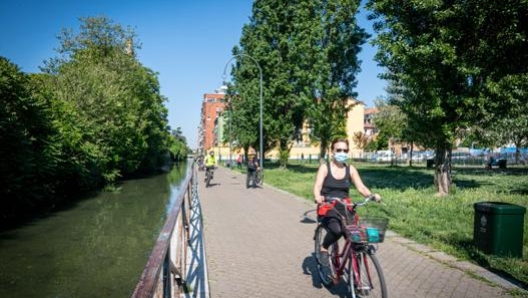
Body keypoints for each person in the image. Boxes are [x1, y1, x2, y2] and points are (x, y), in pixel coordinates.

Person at [313, 138, 381, 276]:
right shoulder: (325, 168)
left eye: (345, 150)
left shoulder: (351, 169)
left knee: (357, 240)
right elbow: (318, 186)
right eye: (338, 150)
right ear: (332, 151)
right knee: (336, 230)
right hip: (328, 206)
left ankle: (356, 278)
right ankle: (324, 248)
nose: (342, 152)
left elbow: (361, 187)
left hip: (345, 207)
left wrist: (372, 195)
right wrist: (317, 196)